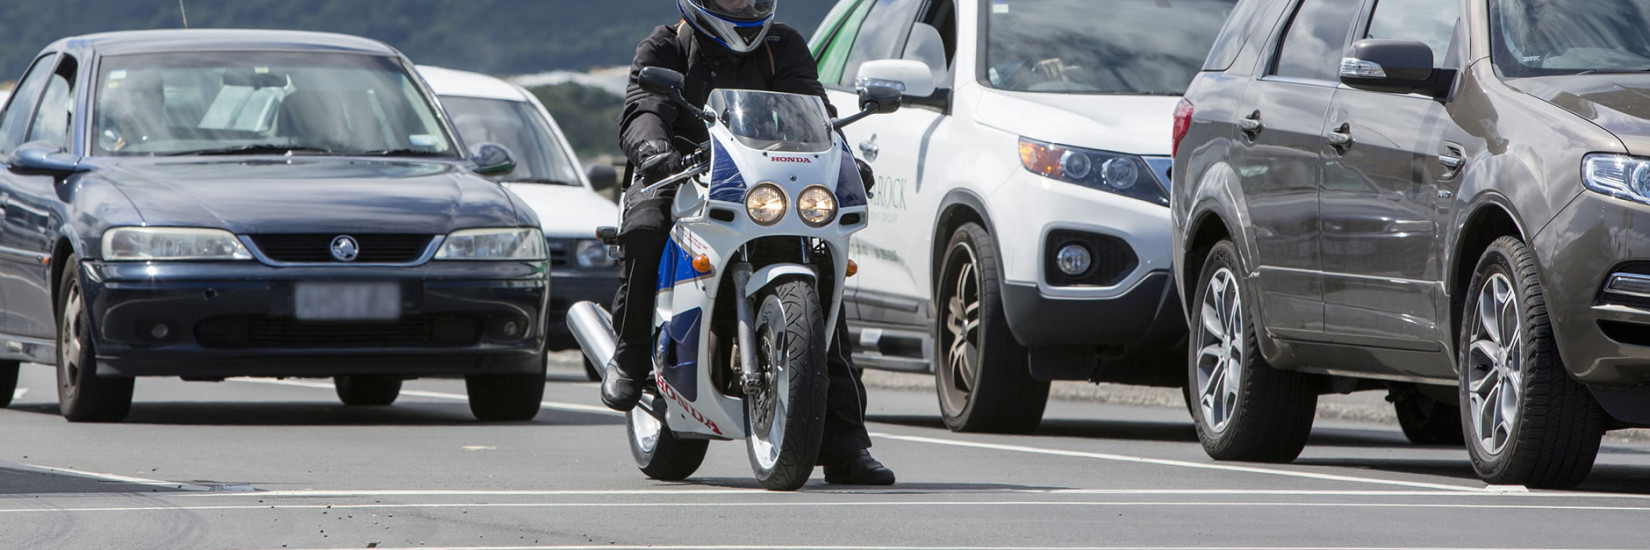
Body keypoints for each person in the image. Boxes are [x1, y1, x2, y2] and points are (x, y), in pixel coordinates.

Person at [603, 0, 895, 486]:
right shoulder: (666, 45)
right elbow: (643, 108)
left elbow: (813, 111)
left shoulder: (784, 45)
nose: (743, 3)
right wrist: (653, 148)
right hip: (680, 173)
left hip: (765, 183)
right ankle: (632, 355)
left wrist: (843, 157)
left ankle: (846, 445)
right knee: (644, 229)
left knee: (823, 275)